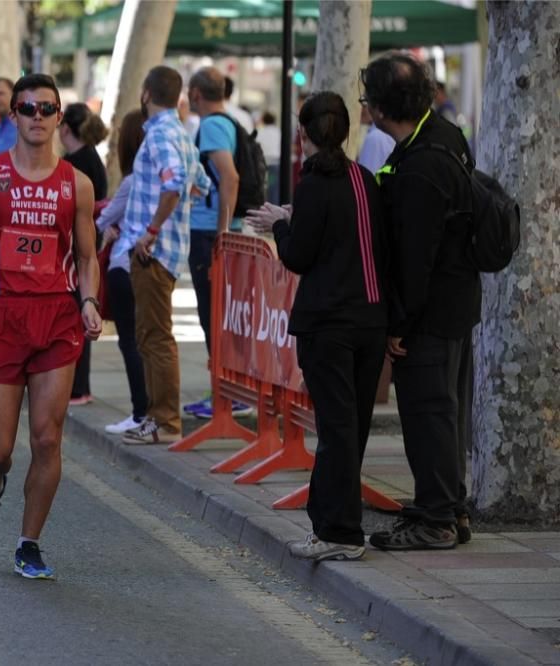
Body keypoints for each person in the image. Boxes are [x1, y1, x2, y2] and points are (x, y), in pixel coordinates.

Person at [0, 73, 102, 580]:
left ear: (59, 117)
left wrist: (90, 300)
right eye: (28, 108)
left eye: (47, 109)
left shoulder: (76, 183)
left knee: (48, 438)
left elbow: (86, 253)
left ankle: (29, 543)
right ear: (13, 115)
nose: (37, 117)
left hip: (57, 316)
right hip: (4, 315)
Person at [246, 91, 389, 562]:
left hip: (328, 323)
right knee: (353, 429)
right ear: (346, 131)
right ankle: (341, 528)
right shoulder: (364, 179)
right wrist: (292, 217)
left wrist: (280, 227)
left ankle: (339, 531)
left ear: (303, 134)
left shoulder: (312, 185)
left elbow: (299, 255)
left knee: (335, 430)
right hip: (370, 319)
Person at [362, 53, 478, 550]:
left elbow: (416, 260)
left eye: (367, 99)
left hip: (430, 314)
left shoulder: (418, 168)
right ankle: (450, 509)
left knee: (429, 414)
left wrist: (399, 326)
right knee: (445, 414)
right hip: (456, 304)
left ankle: (434, 521)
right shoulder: (445, 137)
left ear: (382, 109)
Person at [117, 66, 211, 445]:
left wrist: (152, 230)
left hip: (153, 253)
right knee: (153, 335)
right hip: (166, 252)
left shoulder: (158, 136)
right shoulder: (181, 134)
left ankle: (164, 420)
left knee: (154, 338)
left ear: (145, 93)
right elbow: (200, 184)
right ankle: (159, 418)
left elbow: (175, 185)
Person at [184, 67, 252, 421]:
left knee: (214, 315)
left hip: (212, 232)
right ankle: (227, 391)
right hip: (219, 228)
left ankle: (228, 395)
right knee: (221, 314)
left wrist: (223, 232)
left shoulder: (211, 125)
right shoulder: (228, 119)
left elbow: (230, 176)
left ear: (196, 92)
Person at [96, 110, 149, 433]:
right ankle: (148, 412)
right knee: (146, 342)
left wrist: (110, 226)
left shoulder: (132, 182)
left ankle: (141, 412)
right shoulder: (156, 182)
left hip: (123, 267)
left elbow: (101, 220)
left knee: (130, 343)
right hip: (146, 267)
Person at [59, 102, 108, 406]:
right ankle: (77, 386)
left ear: (64, 128)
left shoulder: (76, 162)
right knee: (82, 312)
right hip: (88, 241)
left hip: (80, 245)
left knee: (78, 313)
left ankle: (77, 388)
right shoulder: (90, 157)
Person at [357, 105, 395, 175]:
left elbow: (364, 180)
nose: (360, 108)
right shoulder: (381, 134)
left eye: (364, 104)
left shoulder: (375, 138)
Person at [257, 111, 282, 204]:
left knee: (263, 188)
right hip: (275, 163)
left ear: (263, 120)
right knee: (274, 189)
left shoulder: (260, 132)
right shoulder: (278, 131)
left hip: (263, 163)